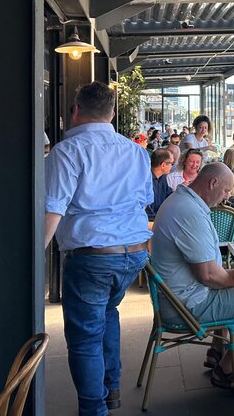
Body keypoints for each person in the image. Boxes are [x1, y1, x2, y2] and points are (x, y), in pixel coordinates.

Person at [44, 81, 152, 415]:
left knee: (86, 337)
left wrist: (32, 259)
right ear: (112, 113)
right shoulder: (136, 151)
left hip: (93, 257)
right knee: (108, 314)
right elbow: (145, 200)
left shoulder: (67, 152)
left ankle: (94, 409)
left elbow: (52, 210)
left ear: (75, 110)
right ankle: (112, 390)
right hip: (134, 253)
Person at [151, 163, 234, 389]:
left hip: (176, 296)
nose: (226, 197)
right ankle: (227, 369)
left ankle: (217, 350)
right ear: (213, 183)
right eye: (227, 190)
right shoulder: (190, 212)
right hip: (187, 305)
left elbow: (208, 272)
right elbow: (208, 275)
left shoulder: (180, 201)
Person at [147, 148, 174, 219]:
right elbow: (148, 211)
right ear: (163, 165)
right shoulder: (145, 181)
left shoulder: (163, 177)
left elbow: (169, 196)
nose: (172, 166)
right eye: (171, 163)